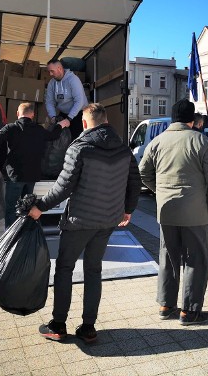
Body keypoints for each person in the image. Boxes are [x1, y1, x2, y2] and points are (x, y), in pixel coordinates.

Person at [28, 103, 141, 343]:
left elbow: (62, 187)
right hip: (108, 220)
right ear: (106, 121)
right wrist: (128, 210)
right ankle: (88, 327)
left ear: (85, 123)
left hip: (79, 221)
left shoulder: (80, 147)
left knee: (65, 268)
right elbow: (134, 181)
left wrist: (39, 207)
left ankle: (58, 324)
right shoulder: (123, 149)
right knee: (93, 270)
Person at [139, 99, 208, 325]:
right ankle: (190, 310)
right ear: (192, 119)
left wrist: (161, 190)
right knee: (196, 258)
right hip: (194, 211)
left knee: (168, 257)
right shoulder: (201, 141)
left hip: (166, 211)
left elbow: (143, 173)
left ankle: (166, 305)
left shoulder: (157, 142)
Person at [0, 102, 69, 227]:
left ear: (17, 114)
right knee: (27, 206)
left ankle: (11, 234)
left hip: (15, 176)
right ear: (32, 115)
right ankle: (25, 231)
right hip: (32, 176)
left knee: (11, 207)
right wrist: (60, 125)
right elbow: (53, 136)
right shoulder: (39, 129)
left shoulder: (10, 128)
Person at [45, 60, 88, 140]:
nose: (50, 74)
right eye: (49, 71)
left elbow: (79, 101)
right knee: (61, 140)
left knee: (77, 140)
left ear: (59, 69)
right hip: (63, 115)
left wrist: (69, 118)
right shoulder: (52, 83)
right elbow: (49, 102)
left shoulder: (73, 80)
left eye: (52, 71)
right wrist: (53, 116)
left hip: (78, 114)